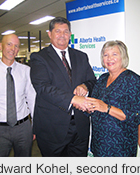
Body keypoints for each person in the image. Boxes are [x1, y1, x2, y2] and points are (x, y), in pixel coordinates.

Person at [30, 16, 96, 157]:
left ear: (70, 34)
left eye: (66, 32)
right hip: (52, 128)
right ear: (50, 34)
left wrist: (84, 86)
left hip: (80, 125)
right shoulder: (39, 58)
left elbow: (92, 80)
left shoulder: (81, 56)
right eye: (58, 31)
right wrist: (73, 99)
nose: (62, 35)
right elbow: (43, 87)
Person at [86, 40, 140, 157]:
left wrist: (106, 108)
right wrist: (87, 107)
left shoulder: (132, 80)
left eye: (114, 54)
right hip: (99, 143)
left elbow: (136, 116)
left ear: (123, 57)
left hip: (120, 146)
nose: (109, 58)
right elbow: (95, 104)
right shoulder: (102, 78)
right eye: (106, 55)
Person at [0, 34, 36, 157]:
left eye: (16, 46)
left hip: (23, 127)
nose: (13, 49)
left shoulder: (26, 71)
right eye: (9, 44)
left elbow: (32, 99)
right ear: (1, 46)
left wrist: (35, 126)